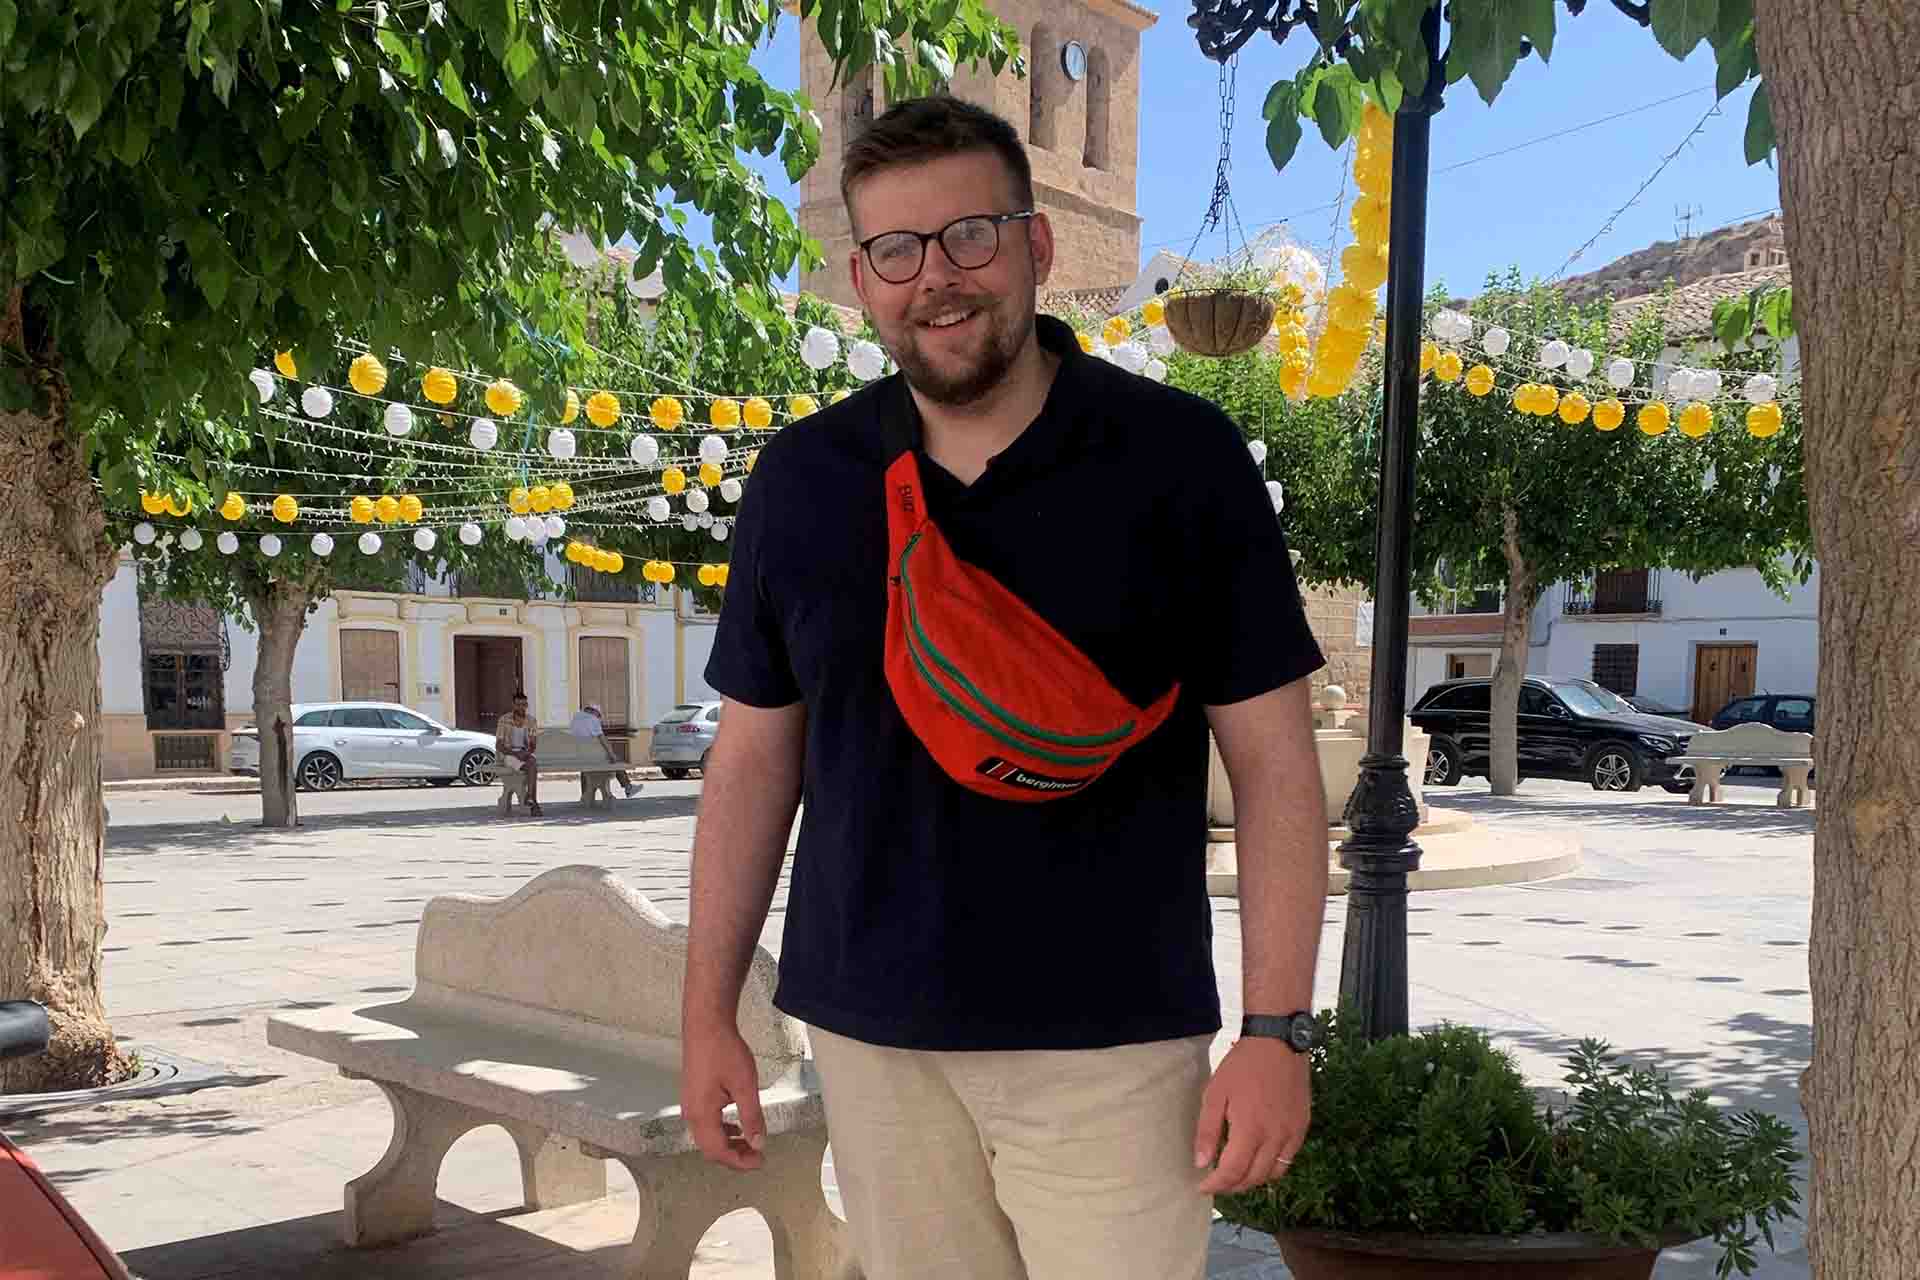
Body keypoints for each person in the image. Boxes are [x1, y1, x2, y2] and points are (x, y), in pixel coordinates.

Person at [681, 96, 1330, 1280]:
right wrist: (706, 1013)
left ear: (1036, 247)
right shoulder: (804, 479)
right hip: (872, 1038)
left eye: (969, 236)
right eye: (897, 250)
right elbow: (751, 759)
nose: (937, 277)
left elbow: (1277, 763)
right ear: (861, 277)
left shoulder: (1180, 460)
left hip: (1113, 1042)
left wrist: (1278, 1030)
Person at [568, 703, 641, 797]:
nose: (599, 718)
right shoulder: (593, 719)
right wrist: (612, 754)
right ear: (595, 712)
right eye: (599, 715)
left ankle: (585, 795)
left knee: (585, 769)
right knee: (615, 760)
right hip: (592, 756)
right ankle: (628, 787)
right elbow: (602, 739)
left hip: (579, 754)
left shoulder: (576, 717)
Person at [495, 691, 542, 817]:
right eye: (518, 704)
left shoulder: (531, 721)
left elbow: (533, 744)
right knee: (532, 766)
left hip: (524, 753)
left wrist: (527, 753)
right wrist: (515, 754)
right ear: (513, 705)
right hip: (508, 754)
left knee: (532, 762)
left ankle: (531, 798)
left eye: (523, 704)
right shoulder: (504, 720)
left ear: (526, 705)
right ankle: (533, 801)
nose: (521, 707)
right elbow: (499, 745)